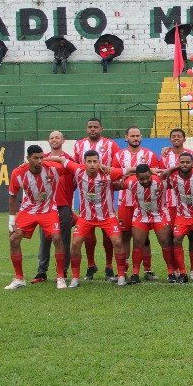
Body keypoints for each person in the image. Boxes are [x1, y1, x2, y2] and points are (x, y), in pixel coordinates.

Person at [51, 150, 132, 287]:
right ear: (84, 163)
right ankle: (75, 277)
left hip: (107, 217)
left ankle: (121, 276)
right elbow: (60, 160)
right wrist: (40, 160)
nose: (92, 164)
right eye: (89, 161)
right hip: (86, 217)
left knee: (118, 242)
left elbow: (130, 169)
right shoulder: (77, 170)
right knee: (76, 243)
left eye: (95, 161)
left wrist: (152, 170)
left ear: (99, 162)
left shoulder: (108, 173)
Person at [5, 145, 68, 290]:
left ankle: (60, 277)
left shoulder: (52, 168)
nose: (39, 161)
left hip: (48, 209)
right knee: (14, 238)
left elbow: (67, 162)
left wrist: (49, 158)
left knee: (57, 238)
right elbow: (13, 196)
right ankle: (19, 279)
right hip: (28, 209)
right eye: (36, 158)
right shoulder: (18, 173)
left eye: (41, 157)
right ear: (28, 159)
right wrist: (11, 220)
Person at [73, 118, 120, 280]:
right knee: (88, 234)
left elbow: (116, 166)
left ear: (101, 129)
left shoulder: (111, 144)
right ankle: (91, 265)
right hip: (86, 192)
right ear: (86, 129)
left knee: (108, 234)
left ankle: (109, 266)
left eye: (95, 127)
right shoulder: (79, 145)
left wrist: (104, 169)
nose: (92, 129)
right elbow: (77, 166)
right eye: (90, 127)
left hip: (104, 189)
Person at [113, 127, 159, 281]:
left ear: (141, 137)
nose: (135, 138)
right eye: (132, 136)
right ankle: (124, 270)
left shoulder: (150, 155)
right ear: (126, 137)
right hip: (125, 200)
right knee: (125, 235)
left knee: (144, 236)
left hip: (144, 201)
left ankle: (147, 269)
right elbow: (115, 175)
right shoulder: (119, 155)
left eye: (137, 135)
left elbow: (154, 176)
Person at [160, 153, 193, 284]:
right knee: (177, 240)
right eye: (182, 162)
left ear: (192, 163)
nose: (184, 164)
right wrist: (172, 168)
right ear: (178, 163)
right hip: (182, 214)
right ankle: (183, 273)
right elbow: (161, 175)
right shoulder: (173, 176)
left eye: (188, 162)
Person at [32, 132, 75, 284]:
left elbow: (74, 182)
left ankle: (62, 271)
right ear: (48, 141)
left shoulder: (69, 160)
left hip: (63, 204)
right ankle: (41, 271)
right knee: (45, 239)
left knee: (64, 239)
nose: (54, 140)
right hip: (47, 205)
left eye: (57, 137)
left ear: (63, 140)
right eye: (51, 138)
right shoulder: (39, 159)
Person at [159, 128, 193, 278]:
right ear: (170, 140)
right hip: (170, 201)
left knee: (192, 235)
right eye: (173, 136)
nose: (176, 138)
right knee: (172, 236)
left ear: (184, 139)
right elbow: (162, 174)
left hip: (188, 202)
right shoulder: (164, 155)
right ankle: (176, 269)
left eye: (179, 136)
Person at [124, 165, 173, 285]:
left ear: (151, 175)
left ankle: (171, 272)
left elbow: (179, 181)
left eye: (147, 177)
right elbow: (114, 184)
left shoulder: (161, 181)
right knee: (138, 242)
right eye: (142, 179)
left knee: (165, 242)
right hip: (141, 215)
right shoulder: (130, 182)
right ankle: (135, 274)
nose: (145, 181)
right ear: (136, 178)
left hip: (159, 213)